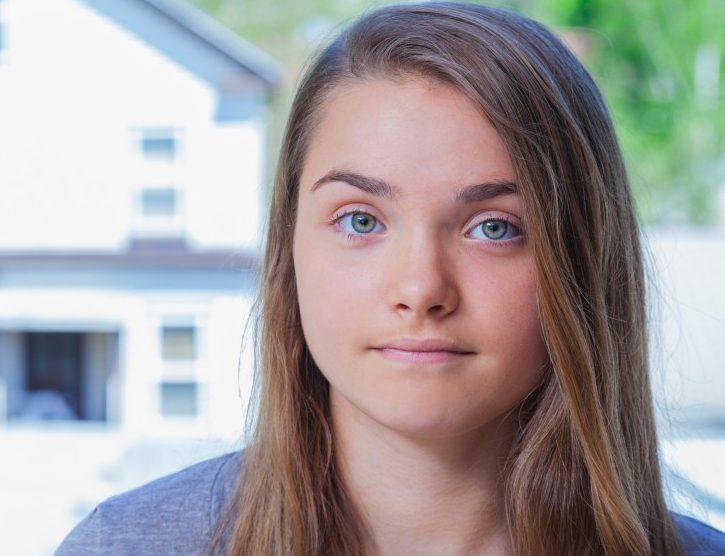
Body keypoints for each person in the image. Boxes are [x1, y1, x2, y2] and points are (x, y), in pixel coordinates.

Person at [55, 2, 725, 555]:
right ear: (290, 252)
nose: (420, 289)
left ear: (581, 262)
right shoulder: (126, 544)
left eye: (493, 227)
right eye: (360, 220)